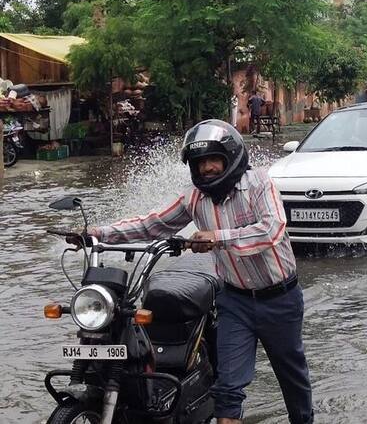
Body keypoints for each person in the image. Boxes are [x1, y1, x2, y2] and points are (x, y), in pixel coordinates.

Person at [87, 120, 313, 424]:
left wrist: (218, 237)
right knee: (228, 388)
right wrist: (97, 233)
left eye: (213, 160)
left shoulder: (260, 183)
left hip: (280, 299)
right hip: (235, 301)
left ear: (231, 158)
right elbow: (152, 224)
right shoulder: (194, 197)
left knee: (292, 379)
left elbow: (271, 230)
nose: (207, 168)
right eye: (200, 162)